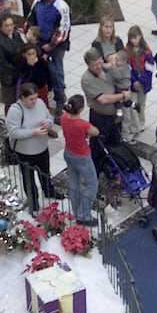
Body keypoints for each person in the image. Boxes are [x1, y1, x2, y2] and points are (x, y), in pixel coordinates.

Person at [5, 83, 56, 214]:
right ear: (22, 98)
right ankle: (33, 203)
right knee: (29, 179)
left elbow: (49, 117)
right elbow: (14, 132)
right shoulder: (15, 111)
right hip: (25, 152)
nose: (34, 101)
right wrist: (33, 132)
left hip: (42, 148)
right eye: (31, 99)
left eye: (35, 97)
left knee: (45, 173)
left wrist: (48, 123)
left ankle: (49, 191)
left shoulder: (39, 103)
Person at [26, 0, 71, 114]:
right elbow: (31, 17)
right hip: (39, 42)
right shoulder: (38, 2)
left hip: (56, 46)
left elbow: (63, 30)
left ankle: (60, 98)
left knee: (56, 71)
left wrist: (50, 45)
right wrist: (29, 32)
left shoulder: (62, 7)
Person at [81, 47, 130, 165]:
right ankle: (96, 170)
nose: (99, 66)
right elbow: (103, 99)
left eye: (100, 62)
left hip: (115, 116)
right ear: (88, 65)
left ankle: (112, 168)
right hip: (100, 118)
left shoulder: (108, 69)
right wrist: (122, 96)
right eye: (95, 65)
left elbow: (122, 77)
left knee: (115, 143)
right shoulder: (87, 79)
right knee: (98, 146)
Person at [60, 94, 100, 226]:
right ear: (82, 109)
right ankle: (84, 215)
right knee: (92, 184)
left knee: (74, 183)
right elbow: (96, 132)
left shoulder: (64, 117)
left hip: (68, 152)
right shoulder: (82, 124)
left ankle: (77, 211)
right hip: (82, 157)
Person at [125, 25, 155, 137]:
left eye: (135, 37)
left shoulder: (147, 52)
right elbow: (127, 67)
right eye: (131, 38)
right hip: (132, 84)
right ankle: (135, 126)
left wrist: (141, 81)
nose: (133, 40)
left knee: (142, 104)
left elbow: (149, 69)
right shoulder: (127, 50)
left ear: (140, 36)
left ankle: (141, 123)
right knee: (133, 104)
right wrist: (134, 81)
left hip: (144, 83)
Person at [0, 11, 24, 113]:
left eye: (11, 25)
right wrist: (16, 70)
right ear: (0, 27)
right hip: (9, 78)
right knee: (10, 103)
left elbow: (23, 48)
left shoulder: (16, 35)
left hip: (20, 73)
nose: (9, 28)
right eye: (6, 26)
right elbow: (3, 63)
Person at [106, 49, 136, 140]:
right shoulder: (124, 67)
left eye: (117, 60)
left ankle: (125, 135)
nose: (115, 62)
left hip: (122, 89)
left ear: (123, 61)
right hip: (124, 88)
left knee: (122, 107)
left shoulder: (122, 69)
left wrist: (111, 67)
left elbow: (117, 76)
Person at [19, 43, 53, 108]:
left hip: (41, 88)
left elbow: (48, 74)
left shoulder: (41, 61)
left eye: (33, 53)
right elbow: (24, 77)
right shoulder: (23, 63)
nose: (32, 56)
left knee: (44, 106)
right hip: (29, 91)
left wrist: (50, 88)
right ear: (24, 55)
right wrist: (29, 66)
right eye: (29, 54)